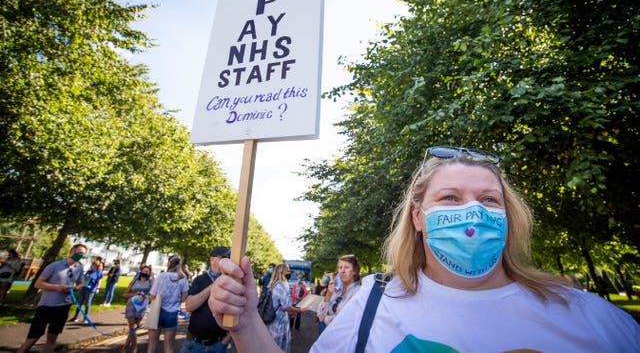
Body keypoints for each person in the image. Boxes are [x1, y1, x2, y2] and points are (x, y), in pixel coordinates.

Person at [207, 146, 640, 353]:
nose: (472, 211)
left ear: (509, 217)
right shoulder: (371, 307)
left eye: (489, 200)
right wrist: (245, 325)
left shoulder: (591, 321)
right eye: (450, 198)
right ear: (418, 218)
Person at [17, 243, 87, 353]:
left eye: (82, 254)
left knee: (52, 338)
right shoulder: (54, 266)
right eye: (78, 252)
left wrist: (76, 288)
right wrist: (56, 288)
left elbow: (81, 283)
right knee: (33, 338)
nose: (79, 255)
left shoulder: (79, 268)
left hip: (63, 306)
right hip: (46, 305)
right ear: (71, 251)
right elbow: (38, 284)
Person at [180, 246, 232, 353]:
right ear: (212, 260)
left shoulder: (231, 282)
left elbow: (238, 314)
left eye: (229, 258)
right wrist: (214, 285)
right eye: (224, 258)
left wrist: (225, 341)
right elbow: (189, 306)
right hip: (194, 344)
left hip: (218, 345)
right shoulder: (199, 280)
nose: (228, 261)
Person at [147, 254, 189, 353]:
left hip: (157, 312)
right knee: (169, 348)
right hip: (172, 313)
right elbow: (183, 298)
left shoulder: (162, 276)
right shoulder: (183, 278)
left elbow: (152, 295)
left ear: (169, 263)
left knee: (151, 346)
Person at [264, 263, 302, 353]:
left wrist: (290, 311)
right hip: (279, 323)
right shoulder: (282, 285)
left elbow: (279, 304)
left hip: (273, 321)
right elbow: (286, 307)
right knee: (280, 347)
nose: (290, 272)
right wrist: (300, 310)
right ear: (282, 271)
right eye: (288, 270)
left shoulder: (274, 284)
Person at [316, 255, 361, 329]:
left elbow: (343, 322)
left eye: (346, 267)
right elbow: (320, 315)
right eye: (340, 268)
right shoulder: (336, 290)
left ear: (355, 271)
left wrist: (325, 318)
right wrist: (329, 294)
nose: (342, 271)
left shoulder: (358, 292)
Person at [121, 264, 153, 353]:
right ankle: (134, 348)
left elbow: (154, 289)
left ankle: (124, 347)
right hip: (131, 304)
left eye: (148, 271)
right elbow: (125, 294)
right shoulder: (134, 282)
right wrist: (134, 294)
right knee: (132, 325)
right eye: (144, 271)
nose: (145, 272)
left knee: (135, 327)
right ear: (141, 271)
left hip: (142, 306)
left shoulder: (149, 282)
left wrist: (153, 276)